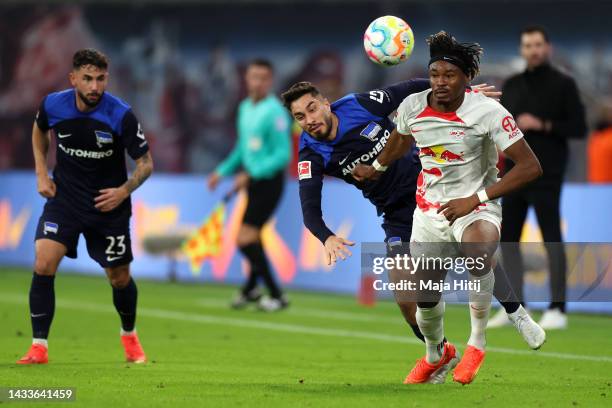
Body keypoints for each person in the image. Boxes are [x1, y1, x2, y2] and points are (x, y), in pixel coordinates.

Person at [282, 61, 543, 368]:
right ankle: (441, 350)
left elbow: (409, 89)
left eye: (312, 109)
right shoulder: (311, 154)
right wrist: (325, 237)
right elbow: (309, 208)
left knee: (475, 251)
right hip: (396, 214)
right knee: (407, 299)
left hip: (433, 188)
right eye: (300, 116)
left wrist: (466, 93)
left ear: (326, 103)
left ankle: (517, 313)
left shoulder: (359, 104)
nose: (309, 120)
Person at [353, 31, 543, 384]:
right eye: (435, 75)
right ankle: (435, 354)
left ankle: (478, 342)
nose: (440, 82)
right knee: (424, 295)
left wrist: (477, 199)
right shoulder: (413, 107)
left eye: (449, 75)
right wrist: (376, 168)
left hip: (476, 205)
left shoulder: (487, 112)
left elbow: (531, 167)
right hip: (429, 211)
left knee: (479, 249)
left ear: (467, 78)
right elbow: (399, 141)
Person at [17, 49, 153, 364]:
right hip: (65, 199)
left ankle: (129, 335)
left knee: (119, 277)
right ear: (73, 78)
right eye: (88, 79)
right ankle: (39, 347)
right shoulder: (53, 104)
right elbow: (39, 130)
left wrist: (123, 191)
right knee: (43, 262)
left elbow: (145, 163)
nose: (95, 86)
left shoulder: (120, 115)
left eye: (101, 79)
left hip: (108, 206)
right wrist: (41, 172)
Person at [491, 26, 587, 330]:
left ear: (548, 48)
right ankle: (515, 308)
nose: (532, 50)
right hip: (514, 174)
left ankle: (558, 308)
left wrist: (542, 123)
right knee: (508, 240)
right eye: (527, 45)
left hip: (547, 174)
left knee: (551, 239)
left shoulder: (564, 84)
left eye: (537, 44)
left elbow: (579, 128)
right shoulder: (512, 84)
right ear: (522, 50)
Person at [208, 59, 291, 312]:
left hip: (270, 182)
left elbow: (282, 154)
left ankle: (276, 294)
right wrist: (222, 171)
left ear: (271, 81)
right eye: (254, 76)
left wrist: (251, 174)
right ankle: (251, 289)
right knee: (251, 238)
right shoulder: (245, 108)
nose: (258, 82)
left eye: (264, 78)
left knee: (244, 239)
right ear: (246, 78)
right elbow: (243, 149)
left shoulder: (275, 111)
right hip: (253, 181)